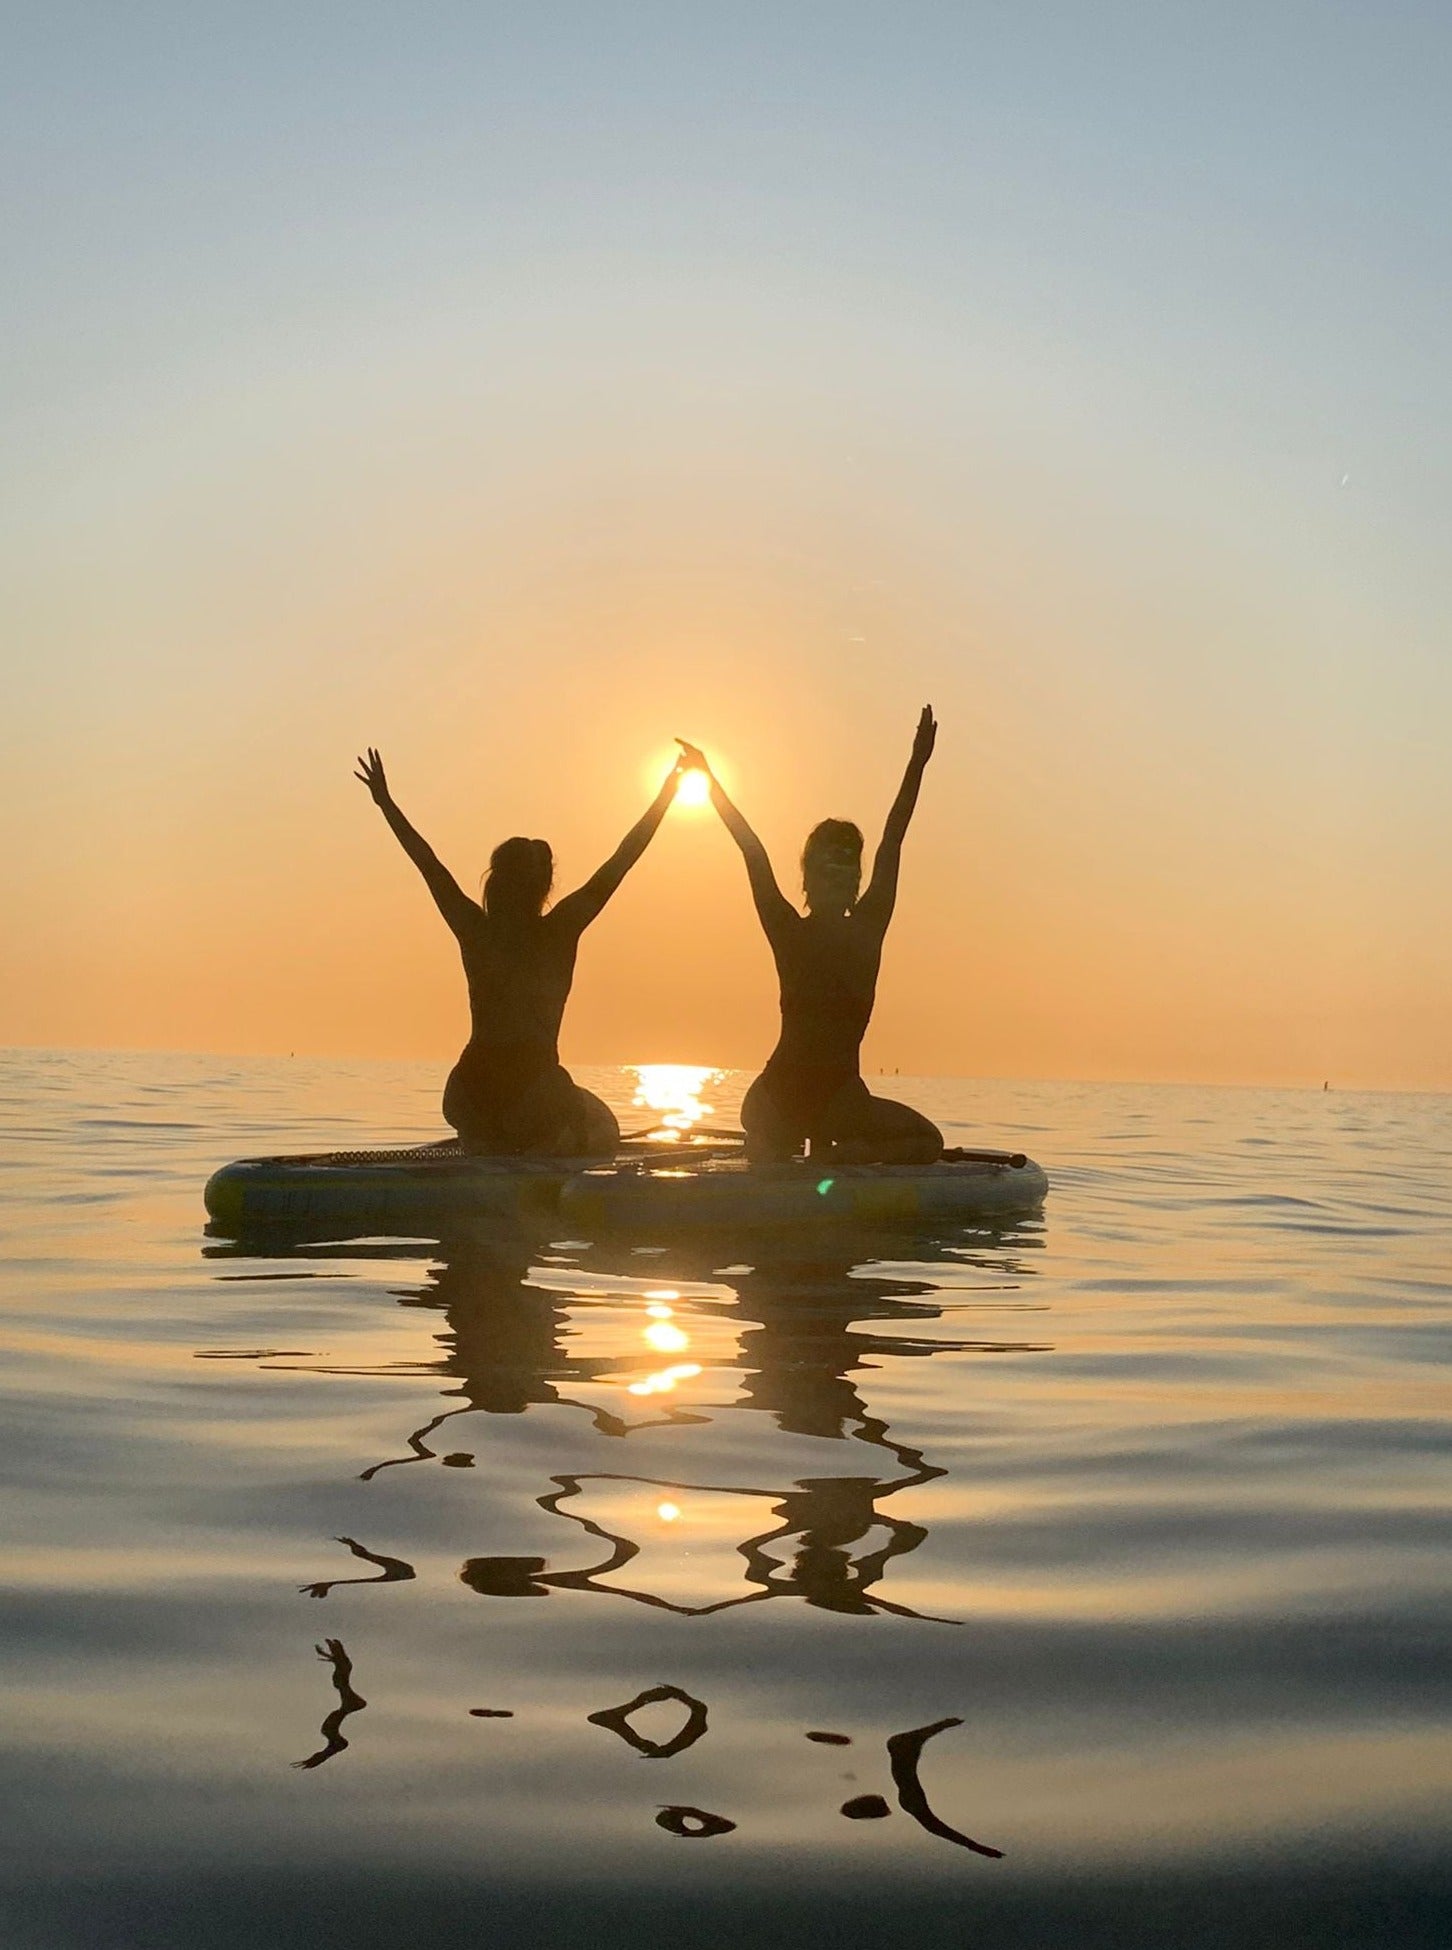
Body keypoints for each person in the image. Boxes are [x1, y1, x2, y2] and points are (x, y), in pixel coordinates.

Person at [355, 747, 689, 1156]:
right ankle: (534, 1149)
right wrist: (668, 795)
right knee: (603, 1125)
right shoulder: (560, 929)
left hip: (468, 1092)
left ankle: (489, 1144)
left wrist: (386, 803)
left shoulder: (474, 928)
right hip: (533, 1094)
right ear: (543, 887)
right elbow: (622, 861)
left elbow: (429, 864)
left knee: (502, 1127)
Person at [678, 708, 943, 1165]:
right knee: (926, 1143)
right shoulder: (852, 928)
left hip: (794, 1101)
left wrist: (710, 779)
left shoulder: (806, 929)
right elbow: (891, 838)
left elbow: (755, 849)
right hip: (819, 1103)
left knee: (920, 1141)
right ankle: (835, 1153)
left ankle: (813, 1150)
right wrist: (917, 762)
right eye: (834, 866)